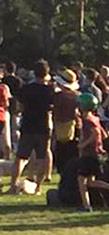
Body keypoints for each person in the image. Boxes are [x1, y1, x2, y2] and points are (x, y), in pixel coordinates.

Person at [8, 60, 54, 195]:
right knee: (41, 158)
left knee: (20, 157)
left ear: (34, 73)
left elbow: (21, 104)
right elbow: (52, 107)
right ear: (47, 73)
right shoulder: (49, 90)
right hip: (43, 126)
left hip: (28, 125)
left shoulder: (27, 89)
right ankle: (38, 187)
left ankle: (13, 185)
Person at [77, 93, 109, 212]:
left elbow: (96, 133)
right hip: (95, 153)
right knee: (91, 182)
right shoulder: (95, 118)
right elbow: (103, 133)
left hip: (89, 153)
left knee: (82, 180)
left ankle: (86, 206)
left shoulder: (87, 120)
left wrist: (83, 144)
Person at [53, 69, 81, 174]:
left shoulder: (58, 97)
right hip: (75, 126)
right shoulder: (77, 96)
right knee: (73, 153)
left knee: (62, 153)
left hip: (61, 125)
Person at [2, 61, 23, 154]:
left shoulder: (4, 81)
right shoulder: (19, 80)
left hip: (5, 107)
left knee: (5, 130)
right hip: (16, 107)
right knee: (15, 129)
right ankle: (17, 148)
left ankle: (6, 148)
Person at [0, 82, 11, 159]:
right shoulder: (2, 89)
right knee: (4, 138)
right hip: (1, 116)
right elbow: (6, 104)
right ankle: (6, 157)